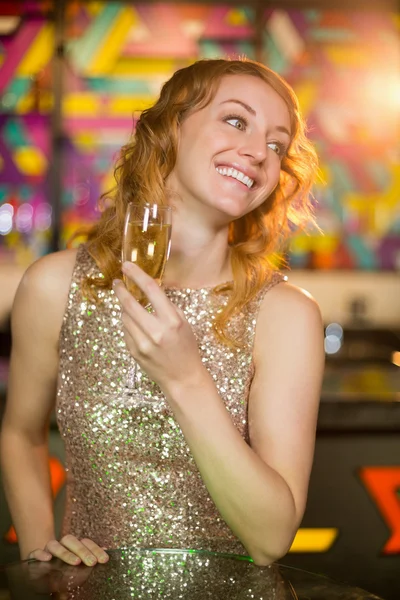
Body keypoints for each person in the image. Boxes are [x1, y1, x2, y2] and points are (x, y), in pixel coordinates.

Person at [0, 58, 325, 570]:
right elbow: (21, 434)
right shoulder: (55, 285)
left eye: (276, 145)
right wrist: (42, 558)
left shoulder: (286, 315)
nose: (258, 153)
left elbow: (271, 539)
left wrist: (185, 377)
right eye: (236, 121)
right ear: (171, 126)